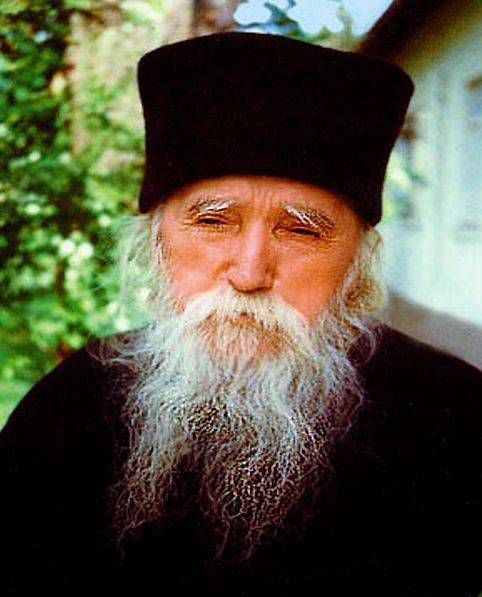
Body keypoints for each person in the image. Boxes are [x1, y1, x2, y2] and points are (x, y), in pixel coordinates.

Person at [1, 32, 480, 597]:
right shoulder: (67, 411)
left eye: (301, 231)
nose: (250, 273)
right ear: (155, 244)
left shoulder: (456, 418)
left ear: (358, 263)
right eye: (212, 221)